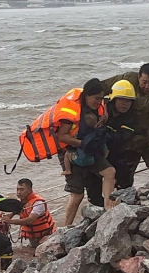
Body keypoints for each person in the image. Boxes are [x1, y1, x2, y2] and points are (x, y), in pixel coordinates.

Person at [58, 78, 117, 226]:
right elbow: (62, 136)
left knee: (110, 172)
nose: (99, 102)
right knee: (77, 195)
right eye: (96, 98)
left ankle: (108, 207)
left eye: (101, 98)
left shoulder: (98, 110)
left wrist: (102, 146)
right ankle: (66, 228)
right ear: (87, 96)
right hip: (70, 151)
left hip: (91, 149)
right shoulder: (73, 112)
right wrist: (83, 144)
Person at [102, 63, 149, 183]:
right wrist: (102, 108)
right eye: (144, 82)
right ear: (138, 77)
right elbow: (101, 89)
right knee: (123, 177)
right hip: (125, 133)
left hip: (147, 136)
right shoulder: (127, 79)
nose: (147, 86)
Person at [84, 80, 140, 206]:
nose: (125, 104)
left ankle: (122, 205)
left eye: (129, 101)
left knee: (125, 179)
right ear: (114, 99)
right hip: (96, 153)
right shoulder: (100, 109)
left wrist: (102, 130)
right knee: (93, 190)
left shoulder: (132, 118)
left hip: (117, 153)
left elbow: (119, 138)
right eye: (122, 100)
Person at [3, 178, 57, 248]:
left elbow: (30, 220)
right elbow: (12, 213)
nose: (19, 192)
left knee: (39, 248)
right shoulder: (20, 202)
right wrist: (5, 218)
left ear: (30, 190)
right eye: (17, 189)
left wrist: (10, 221)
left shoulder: (38, 203)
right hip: (33, 237)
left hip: (46, 235)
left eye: (22, 189)